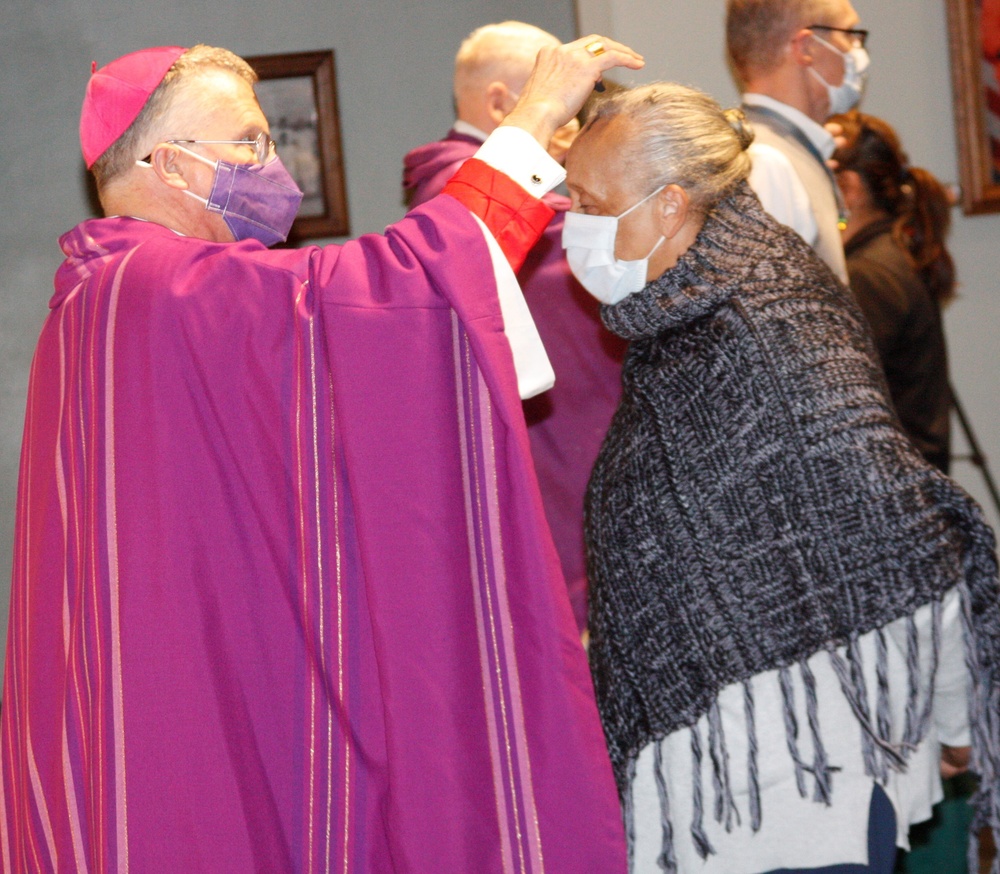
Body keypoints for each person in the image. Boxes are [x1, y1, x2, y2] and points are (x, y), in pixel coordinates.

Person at [0, 38, 645, 871]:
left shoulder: (97, 296)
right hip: (200, 696)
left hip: (170, 677)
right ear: (170, 165)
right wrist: (532, 123)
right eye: (247, 142)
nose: (272, 162)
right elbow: (392, 294)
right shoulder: (162, 286)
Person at [561, 81, 1000, 873]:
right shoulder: (683, 321)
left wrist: (950, 710)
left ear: (669, 206)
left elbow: (898, 523)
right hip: (733, 768)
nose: (571, 226)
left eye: (589, 202)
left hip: (791, 779)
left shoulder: (767, 325)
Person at [403, 21, 627, 631]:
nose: (577, 127)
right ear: (502, 103)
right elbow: (605, 256)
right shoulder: (460, 190)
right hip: (560, 470)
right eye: (567, 105)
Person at [831, 110, 954, 475]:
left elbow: (846, 393)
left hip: (899, 482)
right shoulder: (886, 253)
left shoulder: (869, 273)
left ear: (848, 188)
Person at [726, 0, 871, 283]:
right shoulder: (766, 163)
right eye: (849, 33)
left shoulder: (789, 153)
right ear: (807, 48)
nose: (857, 49)